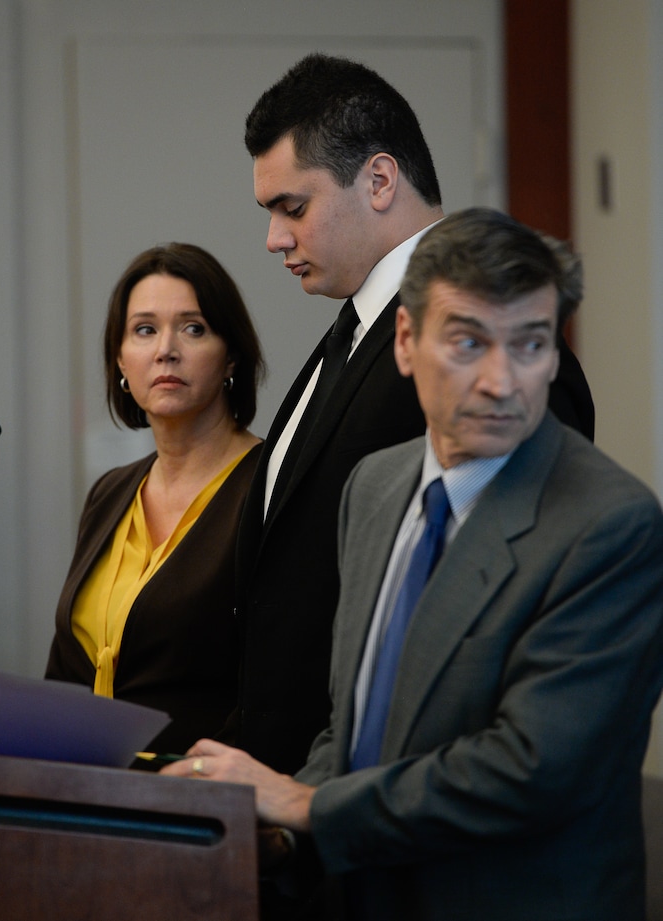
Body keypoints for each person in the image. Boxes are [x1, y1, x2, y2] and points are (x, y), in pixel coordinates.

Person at [163, 209, 663, 921]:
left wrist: (305, 803)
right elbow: (356, 722)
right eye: (468, 341)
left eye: (530, 344)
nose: (502, 380)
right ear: (405, 341)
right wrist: (278, 833)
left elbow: (531, 770)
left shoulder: (609, 524)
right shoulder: (374, 487)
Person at [231, 52, 595, 776]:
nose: (274, 238)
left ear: (379, 179)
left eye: (292, 208)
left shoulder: (483, 353)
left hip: (405, 806)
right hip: (304, 800)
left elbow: (505, 612)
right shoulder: (354, 328)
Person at [46, 243, 265, 756]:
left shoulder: (271, 485)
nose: (166, 349)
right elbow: (65, 670)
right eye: (144, 330)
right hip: (82, 790)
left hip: (199, 802)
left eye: (193, 328)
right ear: (121, 360)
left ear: (231, 354)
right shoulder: (111, 492)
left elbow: (280, 681)